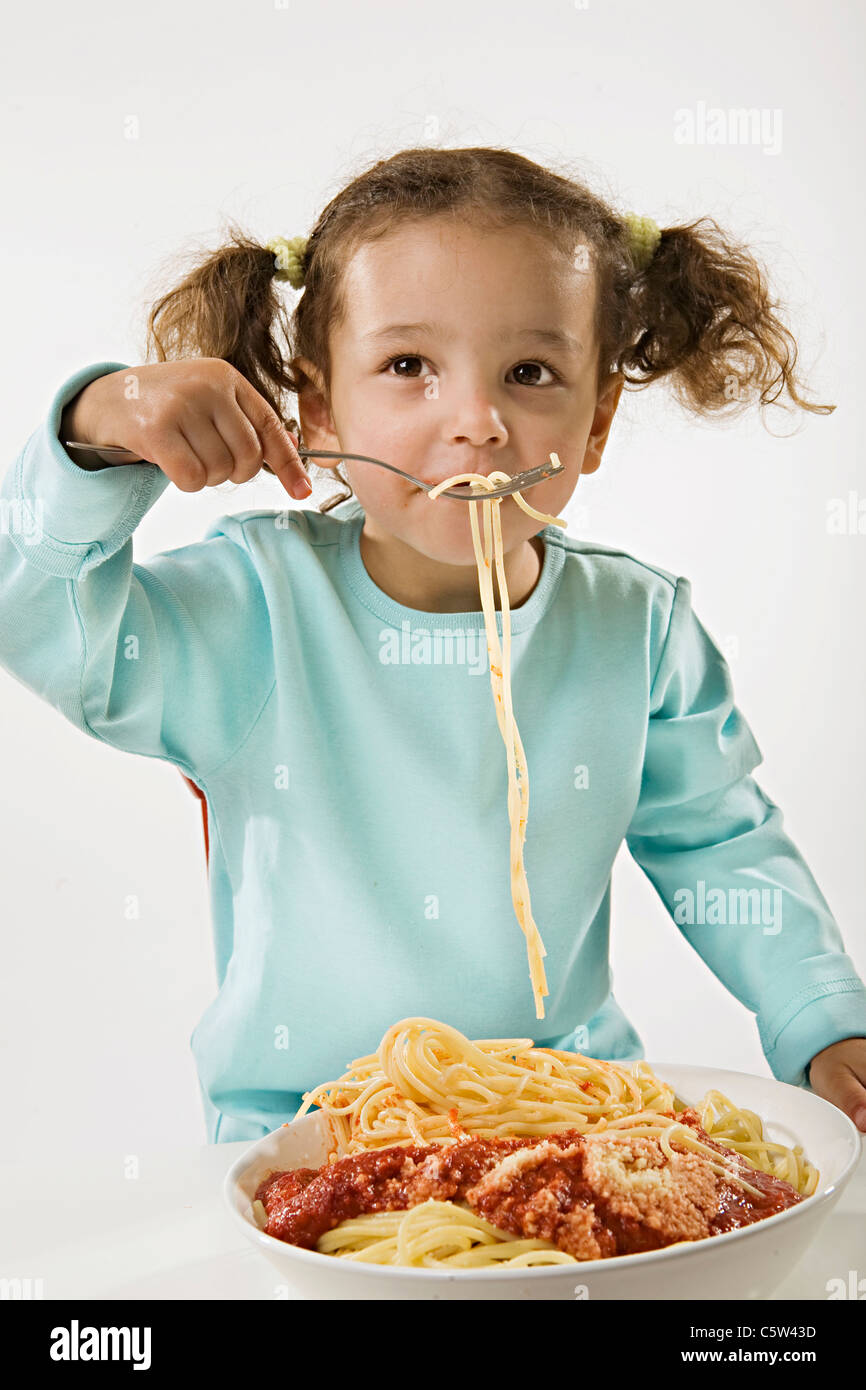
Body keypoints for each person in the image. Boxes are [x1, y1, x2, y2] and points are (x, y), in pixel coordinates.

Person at [2, 146, 864, 1144]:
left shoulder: (636, 625)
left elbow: (719, 841)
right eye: (407, 367)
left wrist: (821, 1019)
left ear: (596, 422)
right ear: (318, 407)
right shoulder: (255, 608)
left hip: (580, 1119)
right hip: (306, 1135)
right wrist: (92, 438)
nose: (479, 423)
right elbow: (39, 620)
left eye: (530, 372)